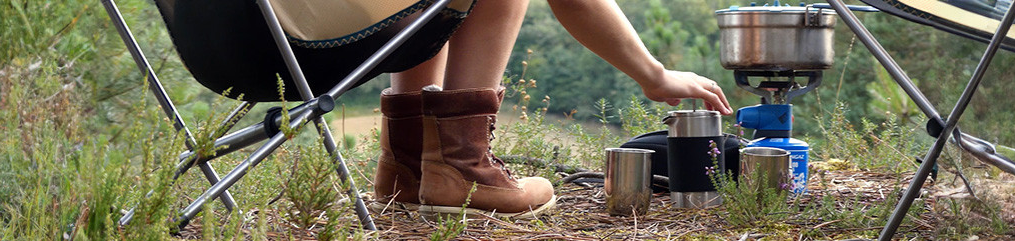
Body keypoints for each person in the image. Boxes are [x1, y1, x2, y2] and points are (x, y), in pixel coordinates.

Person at [155, 0, 731, 219]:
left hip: (216, 41)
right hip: (293, 36)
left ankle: (409, 164)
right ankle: (462, 164)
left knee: (432, 5)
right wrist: (654, 76)